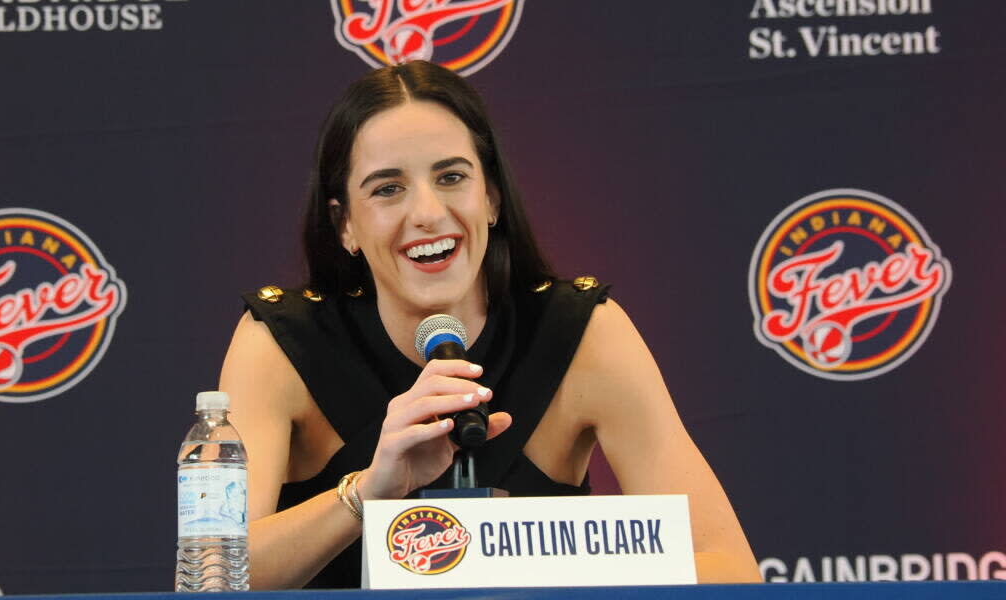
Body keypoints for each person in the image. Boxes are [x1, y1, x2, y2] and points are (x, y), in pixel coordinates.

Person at [219, 60, 760, 589]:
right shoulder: (280, 344)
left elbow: (730, 570)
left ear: (492, 198)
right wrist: (366, 495)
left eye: (451, 177)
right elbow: (211, 581)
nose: (427, 212)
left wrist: (511, 559)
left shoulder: (581, 333)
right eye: (387, 189)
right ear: (345, 226)